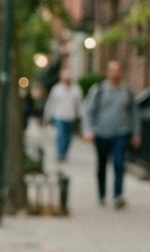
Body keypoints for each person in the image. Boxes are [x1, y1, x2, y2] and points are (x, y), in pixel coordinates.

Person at [83, 60, 143, 209]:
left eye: (117, 70)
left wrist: (136, 134)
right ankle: (101, 194)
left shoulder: (127, 92)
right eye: (112, 70)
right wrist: (88, 130)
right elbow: (88, 111)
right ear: (107, 72)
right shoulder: (98, 90)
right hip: (102, 133)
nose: (115, 73)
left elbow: (134, 114)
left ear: (121, 72)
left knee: (119, 163)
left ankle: (118, 195)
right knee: (102, 165)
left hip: (121, 133)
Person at [42, 67, 82, 165]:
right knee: (60, 135)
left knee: (68, 137)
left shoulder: (76, 89)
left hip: (71, 117)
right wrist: (47, 116)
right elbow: (51, 103)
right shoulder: (56, 89)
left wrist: (80, 117)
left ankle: (64, 153)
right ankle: (59, 154)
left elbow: (79, 104)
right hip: (59, 116)